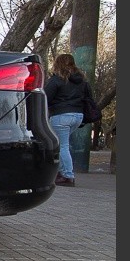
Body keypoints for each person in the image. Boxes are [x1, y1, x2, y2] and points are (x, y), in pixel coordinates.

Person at [44, 53, 87, 187]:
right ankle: (62, 172)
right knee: (63, 145)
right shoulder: (82, 81)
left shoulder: (57, 80)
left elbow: (45, 97)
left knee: (62, 146)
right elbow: (88, 98)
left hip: (61, 115)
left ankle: (68, 176)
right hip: (78, 116)